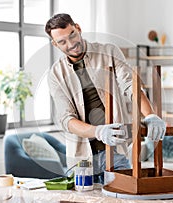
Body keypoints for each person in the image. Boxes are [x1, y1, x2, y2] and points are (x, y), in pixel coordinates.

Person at [45, 13, 166, 184]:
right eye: (62, 42)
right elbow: (66, 119)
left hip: (116, 153)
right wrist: (99, 132)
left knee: (121, 201)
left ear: (78, 28)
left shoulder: (109, 52)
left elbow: (130, 85)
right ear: (54, 44)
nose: (71, 44)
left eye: (72, 35)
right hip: (81, 161)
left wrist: (150, 115)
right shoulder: (56, 74)